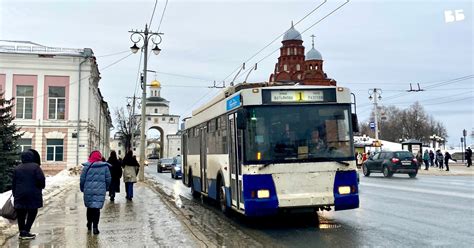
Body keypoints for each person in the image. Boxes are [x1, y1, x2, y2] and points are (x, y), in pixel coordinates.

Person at [12, 149, 45, 240]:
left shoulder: (17, 168)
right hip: (33, 194)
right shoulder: (36, 167)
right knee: (33, 211)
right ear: (32, 157)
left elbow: (14, 183)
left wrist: (15, 193)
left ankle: (22, 231)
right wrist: (40, 187)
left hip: (20, 194)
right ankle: (26, 230)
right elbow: (41, 180)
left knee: (21, 213)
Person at [80, 150, 111, 235]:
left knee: (89, 208)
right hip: (100, 190)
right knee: (96, 209)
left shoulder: (86, 167)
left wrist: (82, 188)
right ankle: (95, 227)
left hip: (88, 190)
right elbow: (108, 180)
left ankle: (89, 223)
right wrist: (106, 188)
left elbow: (82, 179)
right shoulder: (105, 167)